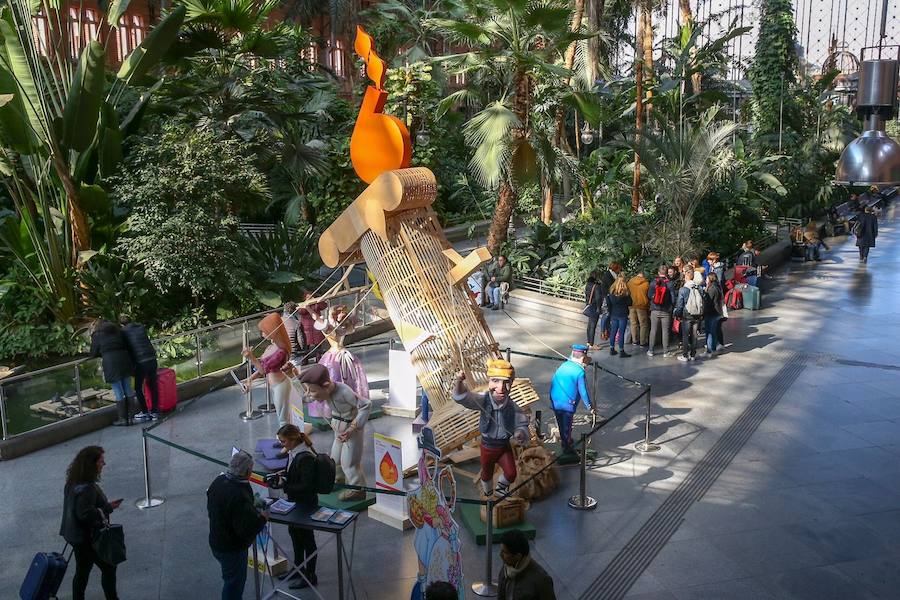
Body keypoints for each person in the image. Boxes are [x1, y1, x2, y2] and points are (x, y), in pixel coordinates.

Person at [452, 359, 529, 498]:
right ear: (489, 381)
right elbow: (464, 397)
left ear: (512, 383)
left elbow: (521, 423)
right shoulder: (483, 400)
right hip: (487, 446)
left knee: (511, 473)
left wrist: (520, 432)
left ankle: (500, 488)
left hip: (504, 447)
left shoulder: (512, 406)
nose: (501, 387)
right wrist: (459, 382)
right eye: (495, 381)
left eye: (506, 382)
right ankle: (488, 494)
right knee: (486, 473)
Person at [298, 364, 371, 501]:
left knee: (349, 462)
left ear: (325, 385)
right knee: (335, 458)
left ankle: (358, 490)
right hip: (338, 429)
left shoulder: (344, 392)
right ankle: (338, 479)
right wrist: (293, 375)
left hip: (351, 432)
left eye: (312, 390)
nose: (309, 394)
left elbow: (366, 405)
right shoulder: (324, 391)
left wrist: (352, 429)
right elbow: (307, 396)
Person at [60, 446, 122, 600]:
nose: (104, 464)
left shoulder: (72, 482)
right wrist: (107, 508)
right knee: (108, 568)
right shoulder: (87, 489)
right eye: (101, 461)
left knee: (82, 570)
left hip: (74, 535)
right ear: (91, 464)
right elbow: (85, 514)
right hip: (86, 538)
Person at [207, 451, 268, 600]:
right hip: (232, 548)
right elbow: (245, 529)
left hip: (216, 540)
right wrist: (262, 519)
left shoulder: (218, 481)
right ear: (248, 472)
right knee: (234, 584)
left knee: (230, 579)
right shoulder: (239, 494)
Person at [307, 300, 370, 419]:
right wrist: (308, 308)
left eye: (343, 312)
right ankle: (333, 406)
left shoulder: (344, 326)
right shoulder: (328, 327)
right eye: (340, 312)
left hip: (344, 354)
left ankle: (350, 402)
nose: (343, 314)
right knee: (334, 377)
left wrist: (359, 297)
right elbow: (316, 317)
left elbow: (354, 312)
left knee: (350, 378)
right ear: (334, 314)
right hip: (333, 357)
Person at [276, 423, 319, 590]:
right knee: (295, 535)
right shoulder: (294, 453)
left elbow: (307, 485)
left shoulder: (305, 457)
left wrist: (285, 486)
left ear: (293, 440)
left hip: (305, 504)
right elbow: (296, 475)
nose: (281, 444)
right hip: (296, 502)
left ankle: (310, 575)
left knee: (307, 540)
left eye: (283, 441)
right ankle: (298, 568)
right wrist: (285, 475)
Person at [242, 312, 293, 428]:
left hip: (281, 385)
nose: (262, 334)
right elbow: (262, 368)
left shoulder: (281, 351)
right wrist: (249, 379)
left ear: (273, 331)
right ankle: (286, 435)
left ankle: (286, 437)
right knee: (281, 415)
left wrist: (251, 357)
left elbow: (264, 370)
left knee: (283, 417)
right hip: (275, 385)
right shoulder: (271, 347)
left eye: (265, 331)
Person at [549, 345, 595, 455]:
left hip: (555, 400)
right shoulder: (579, 372)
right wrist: (590, 406)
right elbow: (583, 392)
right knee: (567, 426)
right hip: (568, 404)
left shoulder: (564, 365)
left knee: (560, 423)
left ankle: (565, 441)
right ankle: (567, 447)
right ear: (583, 358)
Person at [90, 320, 135, 427]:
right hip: (124, 360)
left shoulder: (97, 335)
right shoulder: (118, 332)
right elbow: (128, 346)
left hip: (111, 363)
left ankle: (122, 419)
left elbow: (93, 353)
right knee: (128, 389)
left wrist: (103, 352)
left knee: (118, 391)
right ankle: (131, 417)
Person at [120, 316, 159, 422]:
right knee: (153, 385)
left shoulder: (123, 332)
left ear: (122, 325)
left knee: (138, 388)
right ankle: (155, 412)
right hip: (152, 358)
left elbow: (127, 348)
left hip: (141, 361)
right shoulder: (141, 327)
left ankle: (145, 412)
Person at [498, 529, 556, 600]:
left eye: (505, 552)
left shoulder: (542, 580)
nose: (500, 555)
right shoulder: (508, 566)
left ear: (518, 556)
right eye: (501, 551)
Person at [674, 272, 705, 362]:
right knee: (694, 335)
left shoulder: (683, 289)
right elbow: (703, 300)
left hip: (687, 315)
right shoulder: (699, 288)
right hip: (697, 315)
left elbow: (680, 305)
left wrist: (677, 314)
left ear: (686, 278)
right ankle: (693, 355)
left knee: (685, 336)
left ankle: (685, 355)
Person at [647, 265, 675, 357]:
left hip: (654, 310)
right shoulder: (669, 283)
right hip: (666, 310)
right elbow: (673, 299)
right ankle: (666, 352)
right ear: (667, 273)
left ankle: (651, 350)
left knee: (653, 330)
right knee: (665, 331)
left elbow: (649, 295)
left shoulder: (653, 282)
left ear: (658, 273)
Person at [606, 274, 632, 357]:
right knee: (621, 333)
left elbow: (609, 303)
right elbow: (630, 303)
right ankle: (621, 351)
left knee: (613, 332)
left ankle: (612, 349)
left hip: (614, 314)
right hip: (623, 314)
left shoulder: (611, 292)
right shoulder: (625, 293)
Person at [703, 273, 725, 356]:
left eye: (707, 278)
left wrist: (703, 311)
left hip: (712, 312)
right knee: (714, 331)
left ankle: (710, 350)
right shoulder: (717, 286)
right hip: (717, 312)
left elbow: (709, 302)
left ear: (710, 279)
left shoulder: (712, 289)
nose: (705, 280)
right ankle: (713, 347)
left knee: (710, 332)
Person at [627, 271, 650, 347]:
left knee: (633, 323)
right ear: (643, 275)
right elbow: (648, 295)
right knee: (643, 324)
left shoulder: (630, 282)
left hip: (632, 306)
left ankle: (635, 341)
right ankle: (643, 342)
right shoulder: (646, 283)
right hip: (642, 306)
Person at [584, 271, 603, 349]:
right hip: (594, 307)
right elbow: (598, 298)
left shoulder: (588, 284)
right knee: (593, 326)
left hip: (589, 305)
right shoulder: (596, 286)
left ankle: (588, 342)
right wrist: (599, 308)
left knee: (589, 325)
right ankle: (591, 344)